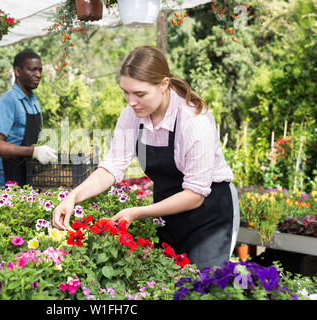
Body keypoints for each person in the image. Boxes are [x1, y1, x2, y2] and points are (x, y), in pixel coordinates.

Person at [52, 46, 240, 270]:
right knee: (167, 284)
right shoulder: (132, 115)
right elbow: (111, 167)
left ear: (163, 84)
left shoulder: (192, 121)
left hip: (209, 217)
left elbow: (195, 195)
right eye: (126, 92)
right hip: (167, 211)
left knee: (203, 288)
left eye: (140, 94)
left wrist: (137, 212)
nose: (131, 101)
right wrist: (73, 197)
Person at [0, 49, 57, 187]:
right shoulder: (7, 102)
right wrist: (33, 151)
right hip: (9, 173)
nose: (38, 75)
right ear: (18, 72)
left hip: (28, 172)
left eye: (40, 70)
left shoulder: (34, 101)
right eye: (32, 70)